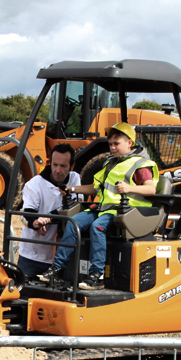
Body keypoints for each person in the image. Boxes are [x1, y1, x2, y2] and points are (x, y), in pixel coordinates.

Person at [38, 122, 158, 290]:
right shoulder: (111, 164)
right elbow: (96, 187)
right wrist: (71, 189)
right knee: (73, 223)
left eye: (116, 143)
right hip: (104, 209)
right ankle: (57, 268)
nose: (112, 147)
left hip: (127, 212)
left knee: (97, 227)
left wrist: (129, 188)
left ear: (130, 143)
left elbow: (151, 189)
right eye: (110, 144)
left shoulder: (140, 164)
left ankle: (97, 275)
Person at [17, 144, 80, 278]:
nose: (57, 170)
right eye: (55, 164)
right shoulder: (34, 185)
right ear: (49, 163)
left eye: (63, 166)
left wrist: (49, 217)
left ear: (72, 166)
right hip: (32, 256)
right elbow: (27, 214)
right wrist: (37, 222)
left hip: (63, 257)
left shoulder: (75, 180)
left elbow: (74, 209)